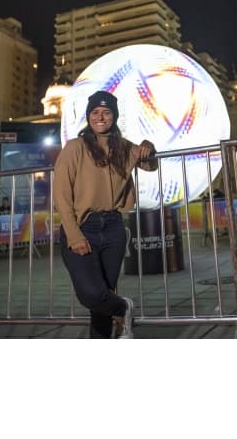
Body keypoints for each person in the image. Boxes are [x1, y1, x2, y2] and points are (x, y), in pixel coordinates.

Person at [52, 90, 157, 339]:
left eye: (106, 112)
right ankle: (124, 308)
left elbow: (150, 165)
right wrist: (74, 234)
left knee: (103, 295)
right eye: (95, 112)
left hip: (113, 228)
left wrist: (149, 148)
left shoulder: (123, 148)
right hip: (81, 227)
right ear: (88, 117)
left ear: (114, 116)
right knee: (91, 294)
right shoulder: (75, 147)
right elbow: (61, 195)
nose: (100, 117)